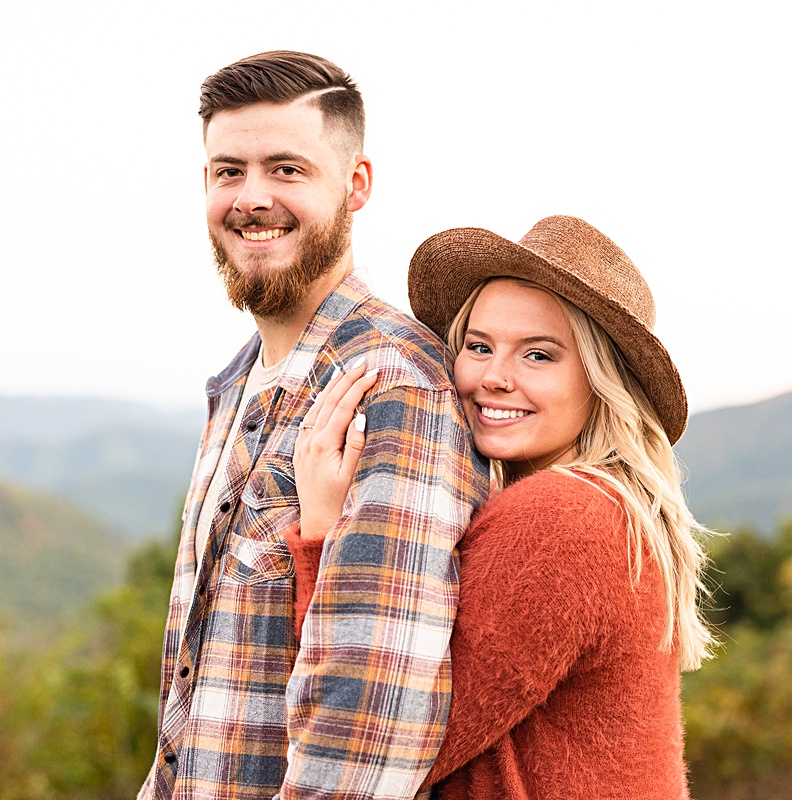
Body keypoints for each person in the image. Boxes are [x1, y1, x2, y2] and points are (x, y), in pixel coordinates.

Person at [138, 51, 488, 800]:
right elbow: (191, 708)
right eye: (228, 171)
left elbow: (374, 715)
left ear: (355, 184)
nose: (252, 197)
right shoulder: (237, 385)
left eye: (287, 170)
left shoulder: (391, 383)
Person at [291, 215, 717, 799]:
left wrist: (321, 535)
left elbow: (391, 742)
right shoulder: (610, 506)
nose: (494, 377)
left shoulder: (563, 517)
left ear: (601, 380)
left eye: (538, 356)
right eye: (479, 346)